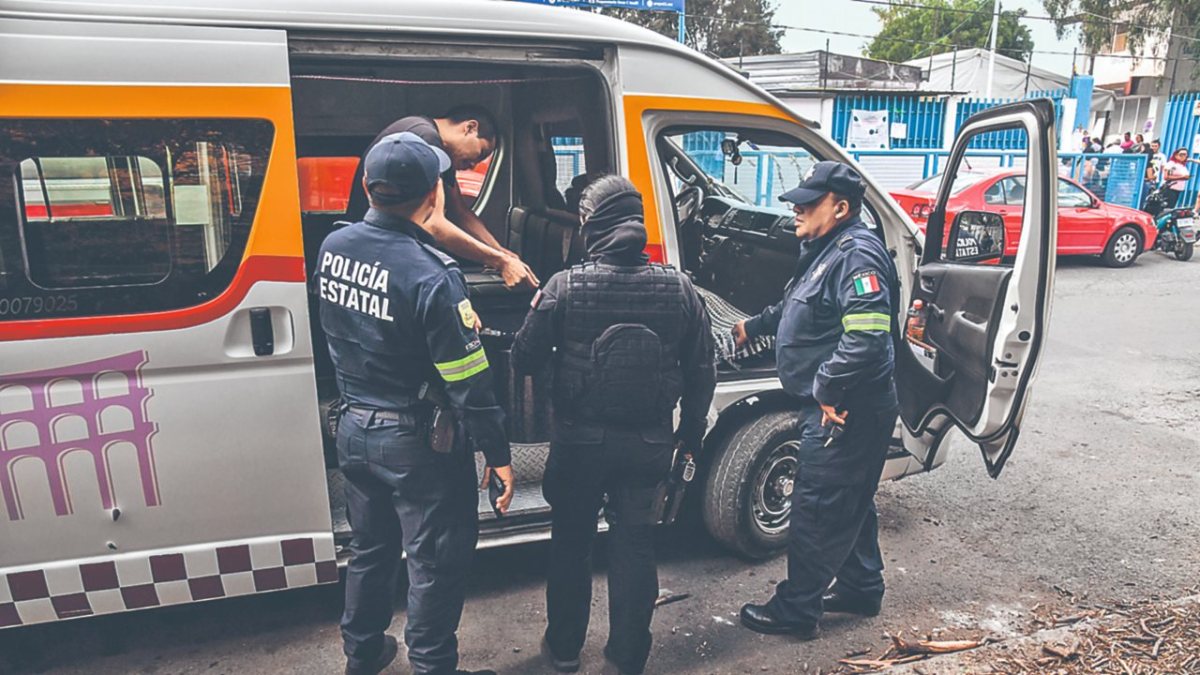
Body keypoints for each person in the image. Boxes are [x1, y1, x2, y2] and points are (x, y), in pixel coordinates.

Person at [317, 132, 515, 675]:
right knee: (433, 564)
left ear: (367, 187)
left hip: (353, 429)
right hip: (415, 444)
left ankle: (363, 655)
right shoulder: (432, 275)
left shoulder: (334, 247)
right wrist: (497, 453)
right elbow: (468, 380)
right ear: (435, 194)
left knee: (370, 552)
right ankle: (431, 666)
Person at [512, 174, 716, 675]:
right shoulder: (680, 287)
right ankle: (627, 657)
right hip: (649, 441)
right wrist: (688, 437)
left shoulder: (565, 285)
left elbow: (524, 357)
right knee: (635, 546)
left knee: (571, 544)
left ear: (592, 226)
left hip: (580, 442)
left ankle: (562, 652)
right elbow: (702, 370)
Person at [732, 162, 899, 639]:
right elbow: (800, 304)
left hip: (846, 407)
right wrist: (756, 326)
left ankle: (797, 610)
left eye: (808, 202)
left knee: (818, 505)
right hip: (843, 402)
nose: (795, 209)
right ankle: (862, 586)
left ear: (841, 207)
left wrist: (827, 386)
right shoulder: (828, 250)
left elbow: (868, 338)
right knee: (851, 500)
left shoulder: (857, 256)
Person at [348, 106, 538, 289]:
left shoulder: (431, 142)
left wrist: (499, 251)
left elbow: (459, 211)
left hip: (374, 247)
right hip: (377, 253)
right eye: (481, 153)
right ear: (470, 128)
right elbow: (432, 224)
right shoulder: (425, 139)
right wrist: (500, 262)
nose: (473, 165)